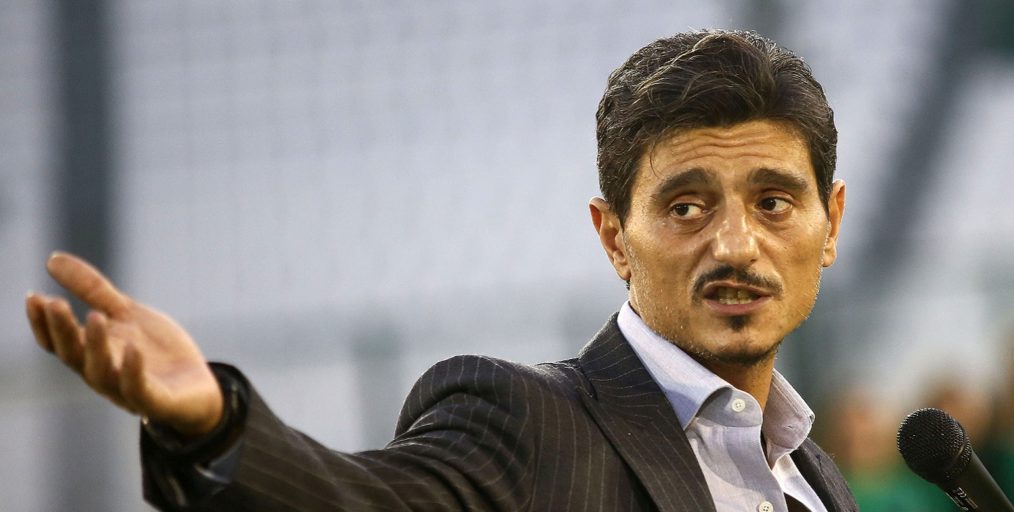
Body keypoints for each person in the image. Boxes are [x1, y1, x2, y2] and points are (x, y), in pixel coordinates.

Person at [23, 29, 858, 511]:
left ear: (831, 224)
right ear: (614, 239)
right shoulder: (528, 424)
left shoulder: (815, 479)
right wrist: (215, 426)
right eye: (686, 207)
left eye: (773, 202)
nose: (735, 245)